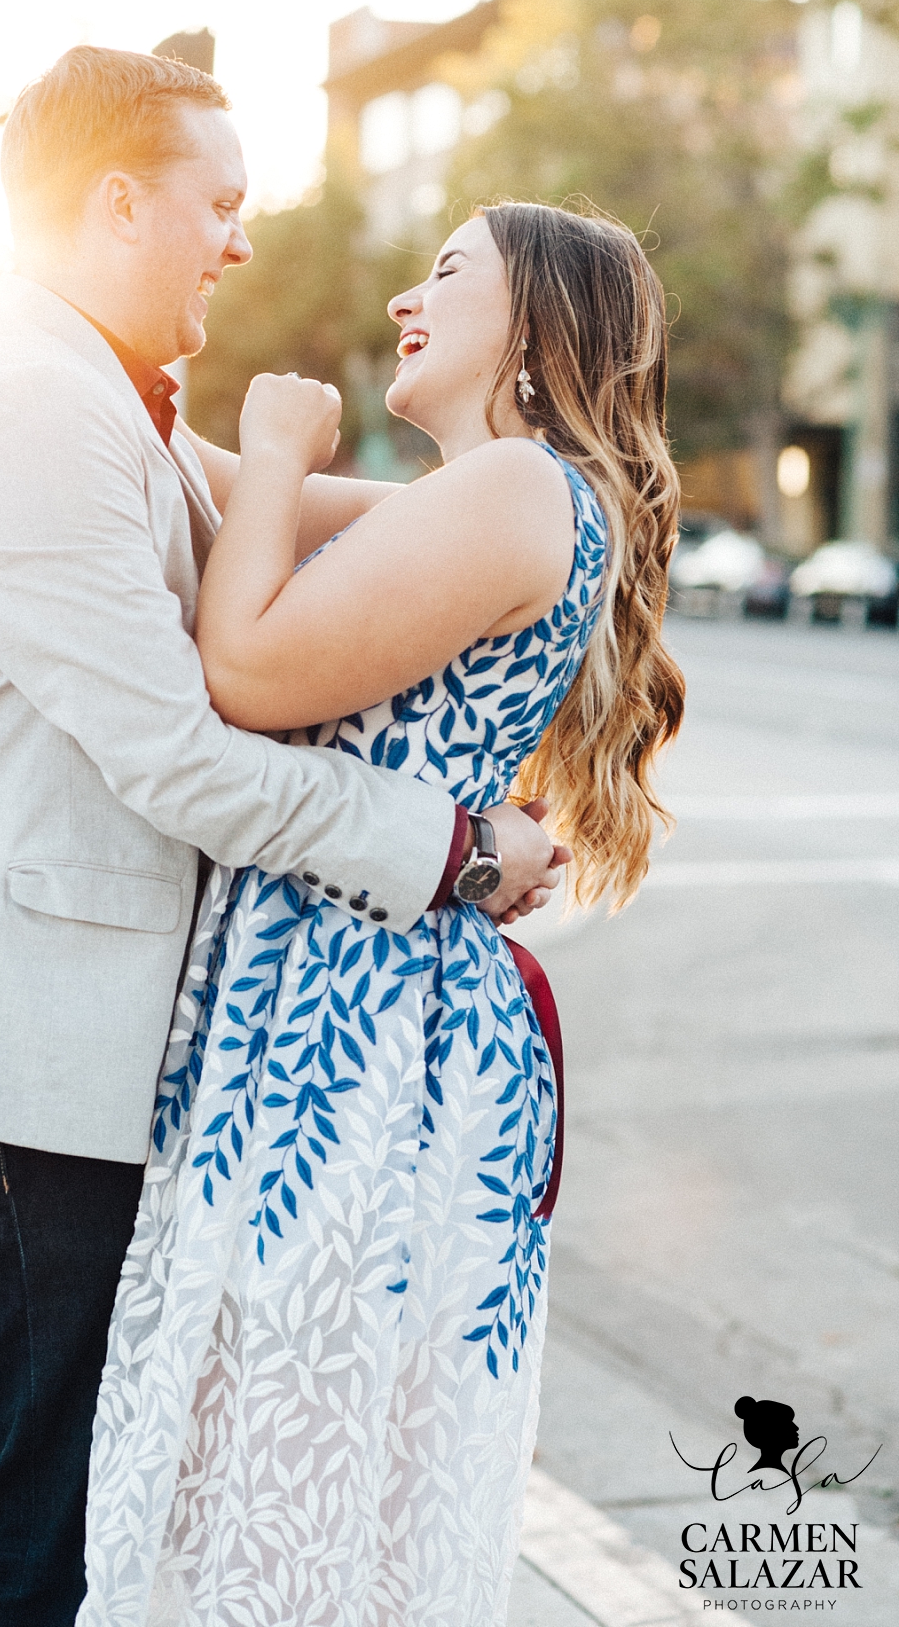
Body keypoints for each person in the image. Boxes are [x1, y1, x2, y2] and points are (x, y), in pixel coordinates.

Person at [0, 47, 567, 1627]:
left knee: (80, 1526)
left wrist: (552, 521)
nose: (240, 243)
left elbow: (335, 529)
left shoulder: (101, 394)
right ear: (117, 205)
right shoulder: (32, 406)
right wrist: (445, 849)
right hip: (20, 1062)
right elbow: (180, 753)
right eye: (219, 205)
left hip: (68, 1055)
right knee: (34, 1541)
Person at [79, 201, 686, 1627]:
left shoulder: (518, 492)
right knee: (293, 1471)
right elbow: (223, 493)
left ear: (529, 327)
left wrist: (286, 447)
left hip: (365, 1030)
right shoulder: (501, 495)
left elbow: (250, 670)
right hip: (360, 1000)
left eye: (447, 273)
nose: (412, 298)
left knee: (291, 1470)